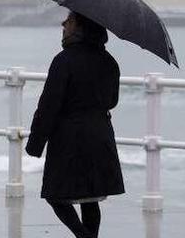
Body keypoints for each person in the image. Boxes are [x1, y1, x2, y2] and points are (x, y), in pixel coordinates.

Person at [25, 12, 125, 238]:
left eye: (69, 21)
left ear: (80, 28)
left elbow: (49, 105)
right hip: (100, 135)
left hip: (70, 138)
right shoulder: (109, 61)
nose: (63, 24)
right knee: (91, 198)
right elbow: (112, 101)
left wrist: (35, 144)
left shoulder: (64, 60)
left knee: (55, 195)